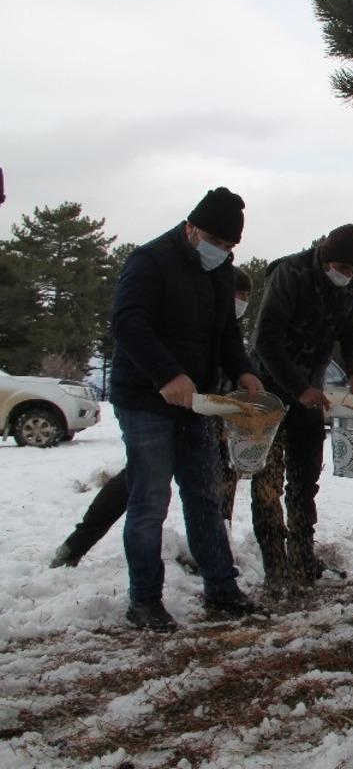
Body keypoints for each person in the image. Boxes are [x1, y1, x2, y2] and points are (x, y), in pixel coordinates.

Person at [109, 187, 264, 632]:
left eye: (231, 246)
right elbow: (128, 323)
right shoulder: (150, 261)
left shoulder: (220, 271)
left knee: (205, 496)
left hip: (196, 403)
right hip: (145, 398)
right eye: (217, 241)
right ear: (192, 228)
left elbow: (226, 333)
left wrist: (243, 371)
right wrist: (166, 376)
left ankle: (221, 588)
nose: (223, 251)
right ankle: (144, 600)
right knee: (150, 500)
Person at [51, 268, 255, 569]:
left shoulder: (227, 334)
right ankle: (77, 544)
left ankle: (213, 556)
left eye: (246, 297)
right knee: (136, 484)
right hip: (166, 415)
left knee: (215, 491)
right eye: (236, 295)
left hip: (211, 425)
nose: (240, 302)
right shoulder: (184, 321)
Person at [249, 224, 353, 591]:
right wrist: (297, 387)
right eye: (342, 268)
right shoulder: (290, 274)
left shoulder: (350, 284)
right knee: (267, 485)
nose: (347, 276)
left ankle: (302, 558)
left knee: (305, 479)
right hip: (268, 394)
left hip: (311, 394)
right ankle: (275, 566)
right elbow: (265, 339)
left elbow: (352, 330)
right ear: (325, 255)